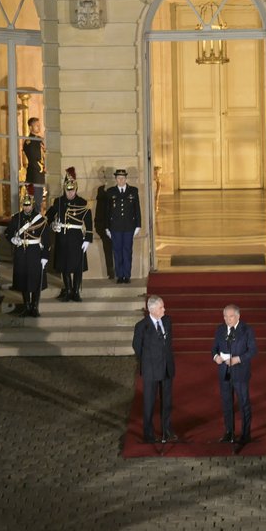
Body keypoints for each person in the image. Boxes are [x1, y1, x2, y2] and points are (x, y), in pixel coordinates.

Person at [132, 295, 176, 444]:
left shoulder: (167, 321)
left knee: (167, 402)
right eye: (161, 307)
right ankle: (148, 433)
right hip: (151, 370)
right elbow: (137, 347)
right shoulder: (142, 326)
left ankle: (167, 430)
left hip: (166, 369)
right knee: (149, 403)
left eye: (163, 306)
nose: (164, 309)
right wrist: (148, 361)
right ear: (152, 310)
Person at [212, 304, 257, 447]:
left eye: (230, 316)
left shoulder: (246, 330)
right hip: (224, 372)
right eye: (225, 316)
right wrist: (215, 357)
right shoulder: (220, 330)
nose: (227, 319)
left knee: (243, 403)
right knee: (226, 403)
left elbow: (253, 350)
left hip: (240, 372)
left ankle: (245, 434)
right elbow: (214, 348)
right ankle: (229, 432)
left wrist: (238, 359)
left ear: (238, 316)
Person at [47, 168, 93, 302]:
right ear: (64, 189)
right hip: (62, 238)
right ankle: (67, 290)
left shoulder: (82, 203)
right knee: (64, 266)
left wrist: (88, 239)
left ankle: (76, 291)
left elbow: (89, 223)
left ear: (76, 189)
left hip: (77, 238)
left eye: (72, 190)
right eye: (68, 190)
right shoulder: (58, 202)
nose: (70, 192)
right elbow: (48, 217)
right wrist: (53, 225)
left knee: (77, 267)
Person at [7, 185, 49, 317]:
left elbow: (46, 239)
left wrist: (45, 256)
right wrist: (12, 239)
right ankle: (26, 306)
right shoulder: (16, 218)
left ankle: (35, 307)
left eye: (28, 205)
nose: (26, 208)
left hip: (35, 252)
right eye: (24, 205)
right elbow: (8, 233)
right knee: (23, 280)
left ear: (32, 205)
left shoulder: (40, 219)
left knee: (35, 280)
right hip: (21, 252)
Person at [103, 168, 141, 284]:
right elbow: (106, 211)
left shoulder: (133, 191)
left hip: (129, 227)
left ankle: (127, 275)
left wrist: (138, 225)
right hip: (115, 227)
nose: (121, 180)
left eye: (123, 178)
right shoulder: (110, 192)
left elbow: (137, 210)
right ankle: (120, 275)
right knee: (117, 251)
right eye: (118, 178)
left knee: (127, 251)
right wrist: (107, 227)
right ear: (116, 179)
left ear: (126, 179)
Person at [22, 116, 45, 185]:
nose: (39, 127)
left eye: (39, 125)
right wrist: (41, 168)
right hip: (34, 174)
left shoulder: (39, 139)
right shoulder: (29, 142)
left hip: (40, 173)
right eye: (36, 126)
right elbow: (32, 159)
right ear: (30, 127)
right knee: (36, 194)